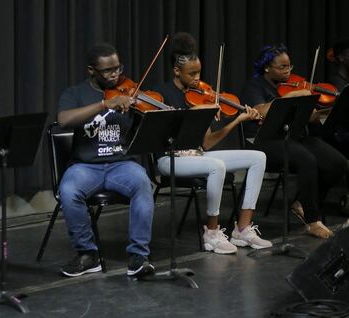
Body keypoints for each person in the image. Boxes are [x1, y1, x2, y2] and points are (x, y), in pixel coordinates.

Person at [153, 33, 272, 255]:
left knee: (258, 157)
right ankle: (212, 232)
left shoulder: (199, 96)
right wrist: (194, 113)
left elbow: (207, 143)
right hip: (170, 158)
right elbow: (163, 131)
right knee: (216, 166)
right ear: (177, 71)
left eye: (199, 72)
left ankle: (243, 228)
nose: (198, 78)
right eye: (192, 73)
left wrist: (236, 120)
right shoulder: (162, 94)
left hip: (196, 155)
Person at [57, 43, 155, 278]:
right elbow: (63, 120)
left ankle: (138, 256)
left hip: (121, 163)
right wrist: (104, 104)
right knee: (68, 190)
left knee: (143, 182)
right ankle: (87, 254)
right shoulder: (75, 93)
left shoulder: (129, 92)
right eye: (108, 71)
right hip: (86, 166)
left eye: (118, 68)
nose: (115, 75)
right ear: (91, 70)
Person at [240, 44, 348, 238]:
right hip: (262, 141)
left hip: (292, 138)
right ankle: (313, 221)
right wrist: (293, 96)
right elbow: (259, 111)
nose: (288, 71)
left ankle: (303, 203)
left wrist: (331, 110)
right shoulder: (255, 86)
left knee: (337, 163)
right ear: (267, 68)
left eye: (289, 66)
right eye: (282, 67)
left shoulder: (294, 84)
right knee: (305, 158)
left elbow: (314, 117)